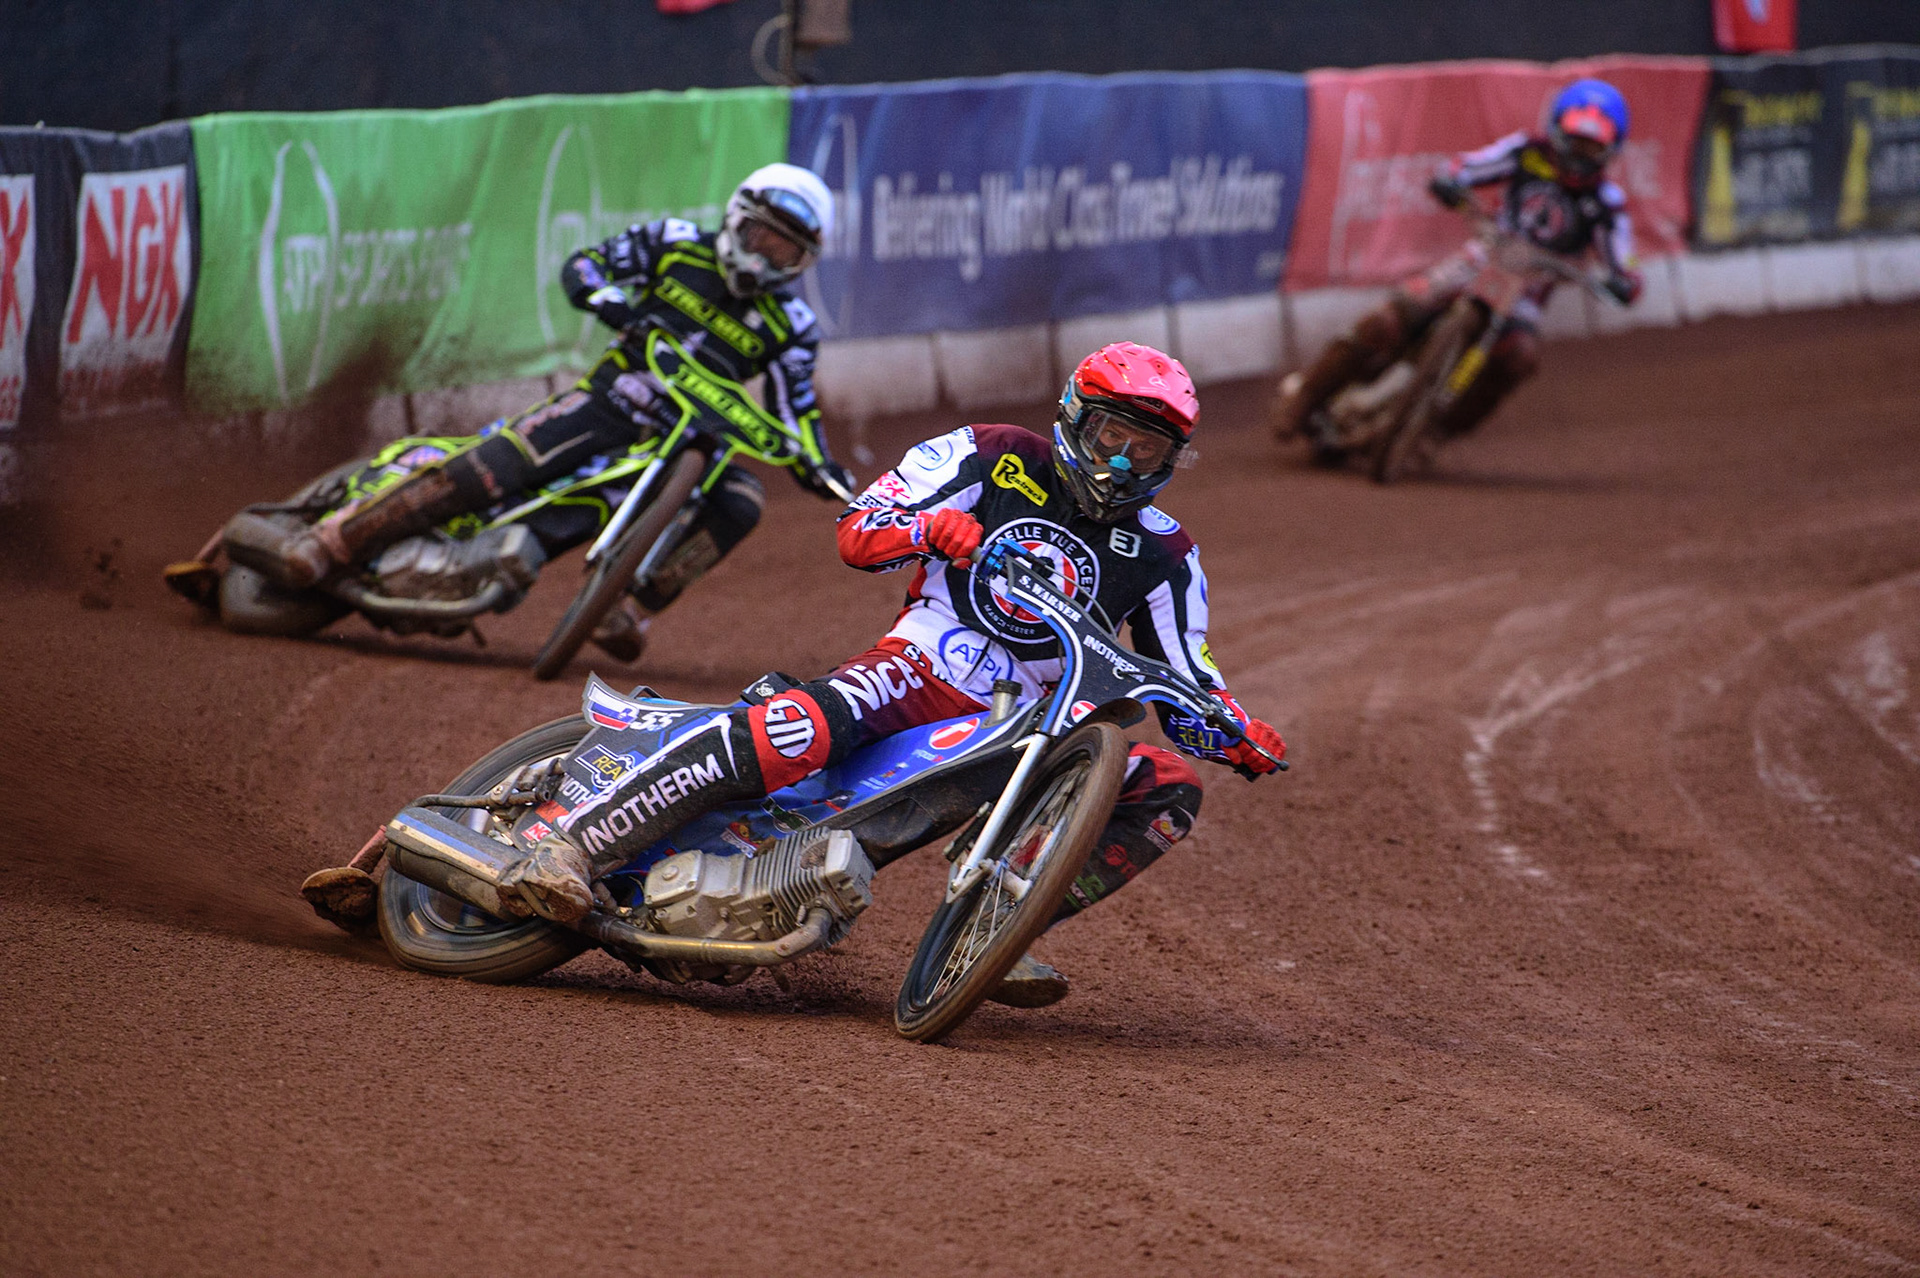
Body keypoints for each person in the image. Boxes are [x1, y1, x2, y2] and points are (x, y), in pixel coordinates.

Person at [498, 341, 1287, 1008]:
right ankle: (569, 845)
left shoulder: (1167, 553)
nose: (1124, 460)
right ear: (1078, 419)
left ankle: (1001, 923)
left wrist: (1236, 730)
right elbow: (858, 531)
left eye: (1148, 449)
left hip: (1031, 725)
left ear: (1171, 459)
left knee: (1167, 786)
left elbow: (1187, 675)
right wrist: (929, 526)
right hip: (918, 663)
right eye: (1115, 434)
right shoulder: (995, 453)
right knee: (799, 728)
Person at [241, 163, 854, 661]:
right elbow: (585, 266)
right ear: (735, 221)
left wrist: (821, 466)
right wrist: (614, 305)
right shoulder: (674, 244)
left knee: (742, 500)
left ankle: (627, 605)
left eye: (786, 254)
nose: (766, 261)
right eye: (761, 241)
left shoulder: (792, 324)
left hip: (694, 443)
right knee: (502, 467)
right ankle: (334, 539)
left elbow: (797, 407)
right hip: (613, 401)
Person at [1271, 78, 1644, 447]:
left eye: (1591, 148)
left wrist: (1625, 281)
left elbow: (1624, 261)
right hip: (1482, 257)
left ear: (1611, 150)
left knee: (1520, 358)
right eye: (1574, 141)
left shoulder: (1607, 204)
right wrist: (1451, 178)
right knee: (1390, 318)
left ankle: (1433, 434)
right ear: (1556, 131)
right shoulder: (1526, 152)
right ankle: (1307, 396)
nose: (1578, 158)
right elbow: (1469, 165)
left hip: (1529, 290)